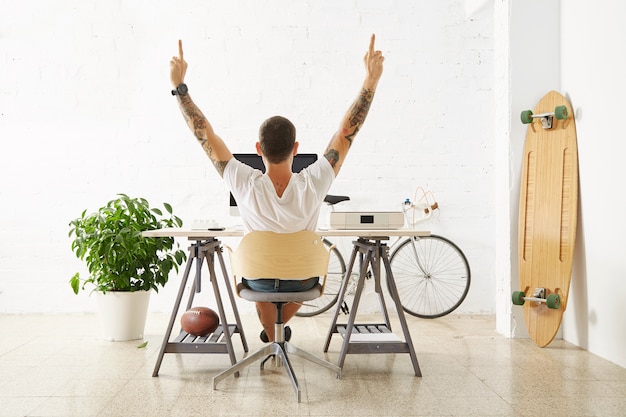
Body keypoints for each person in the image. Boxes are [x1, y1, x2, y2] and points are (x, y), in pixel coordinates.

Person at [169, 35, 384, 342]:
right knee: (298, 275)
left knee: (264, 277)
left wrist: (180, 87)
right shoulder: (316, 179)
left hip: (255, 281)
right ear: (296, 148)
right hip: (303, 280)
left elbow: (204, 134)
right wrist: (371, 80)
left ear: (258, 148)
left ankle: (272, 336)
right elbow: (346, 132)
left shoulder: (242, 181)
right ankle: (276, 336)